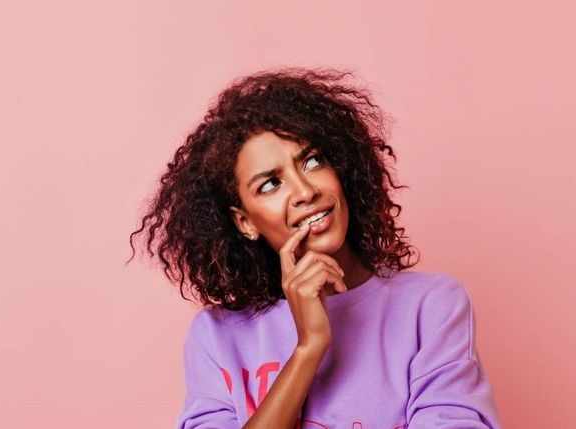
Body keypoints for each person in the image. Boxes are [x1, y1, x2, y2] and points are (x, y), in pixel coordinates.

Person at [128, 67, 501, 428]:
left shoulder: (430, 306)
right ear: (245, 222)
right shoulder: (217, 336)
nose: (305, 191)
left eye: (312, 161)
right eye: (270, 185)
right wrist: (309, 347)